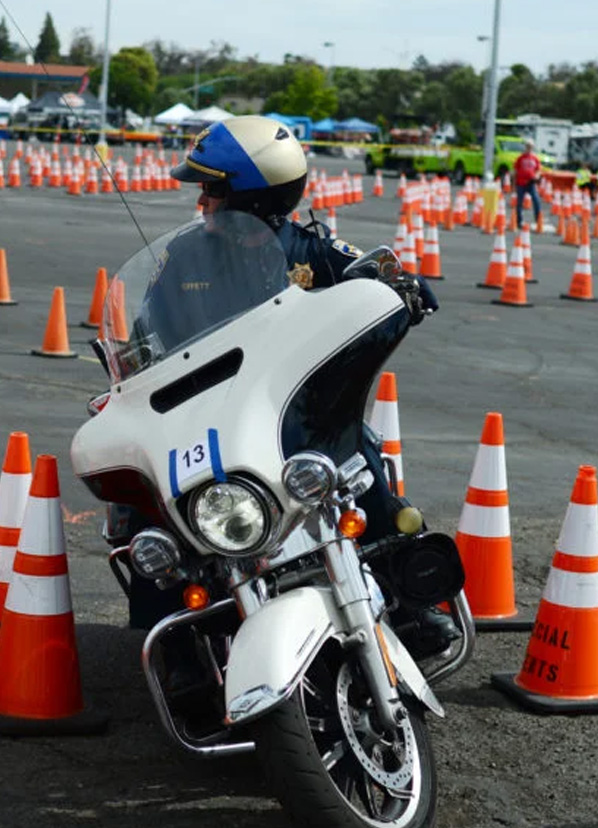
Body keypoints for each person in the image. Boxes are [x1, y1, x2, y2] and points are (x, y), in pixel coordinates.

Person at [133, 116, 454, 653]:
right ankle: (168, 634)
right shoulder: (182, 257)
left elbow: (374, 279)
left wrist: (403, 288)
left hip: (295, 414)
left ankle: (410, 605)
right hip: (208, 412)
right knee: (144, 505)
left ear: (253, 198)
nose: (202, 202)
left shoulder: (310, 251)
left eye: (212, 190)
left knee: (362, 466)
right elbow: (148, 323)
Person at [513, 140, 542, 227]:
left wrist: (537, 176)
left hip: (531, 182)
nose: (529, 148)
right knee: (519, 202)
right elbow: (515, 171)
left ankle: (538, 219)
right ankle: (519, 221)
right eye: (528, 146)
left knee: (536, 200)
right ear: (525, 147)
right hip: (521, 182)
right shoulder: (520, 158)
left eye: (531, 146)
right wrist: (513, 184)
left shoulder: (535, 158)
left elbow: (538, 170)